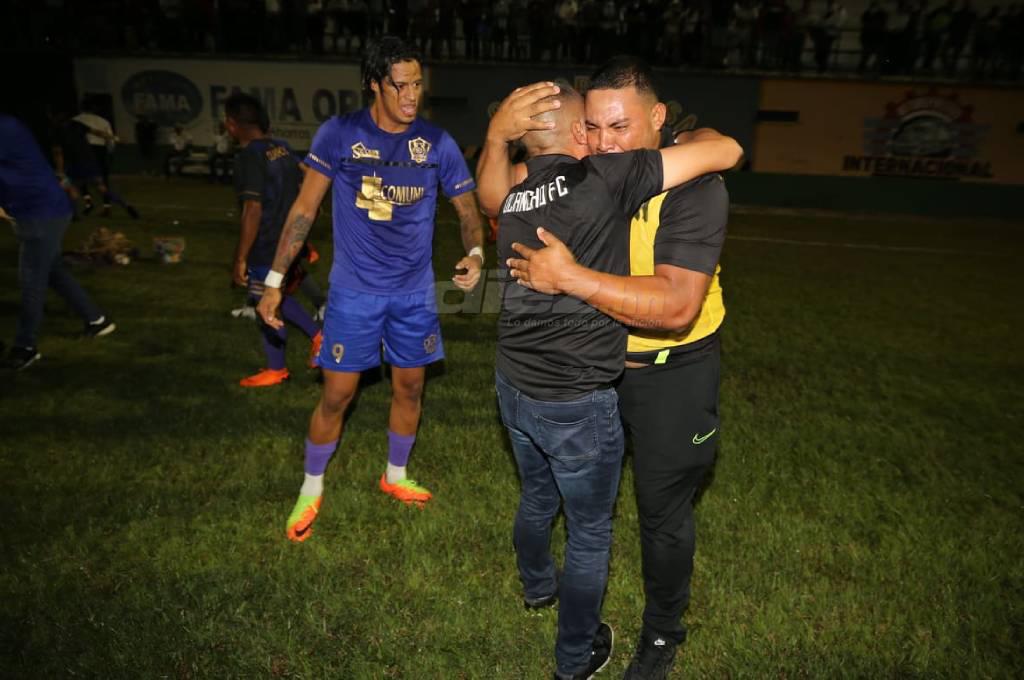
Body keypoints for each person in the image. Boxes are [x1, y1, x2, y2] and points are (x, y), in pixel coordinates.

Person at [477, 58, 735, 680]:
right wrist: (494, 137)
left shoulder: (692, 185)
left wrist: (570, 278)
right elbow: (496, 196)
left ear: (657, 118)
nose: (601, 142)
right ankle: (567, 613)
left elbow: (675, 306)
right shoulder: (588, 169)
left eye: (618, 127)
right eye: (591, 127)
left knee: (660, 514)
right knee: (585, 507)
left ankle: (661, 633)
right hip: (590, 372)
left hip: (671, 371)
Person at [256, 36, 485, 540]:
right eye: (400, 85)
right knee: (337, 395)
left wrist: (474, 254)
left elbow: (468, 211)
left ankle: (395, 475)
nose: (411, 96)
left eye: (418, 84)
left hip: (414, 293)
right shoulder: (339, 134)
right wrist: (274, 282)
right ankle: (311, 489)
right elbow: (302, 212)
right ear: (374, 85)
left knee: (410, 386)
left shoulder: (437, 144)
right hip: (355, 292)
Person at [0, 115, 116, 371]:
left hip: (41, 213)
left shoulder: (5, 128)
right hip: (35, 211)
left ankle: (25, 346)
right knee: (53, 272)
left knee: (31, 280)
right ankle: (97, 320)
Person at [226, 93, 321, 388]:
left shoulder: (249, 158)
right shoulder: (282, 147)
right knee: (275, 296)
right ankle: (278, 366)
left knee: (263, 299)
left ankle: (316, 338)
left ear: (232, 125)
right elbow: (307, 178)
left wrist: (241, 257)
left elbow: (252, 209)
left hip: (266, 243)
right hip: (288, 239)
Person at [52, 111, 139, 220]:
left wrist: (60, 172)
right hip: (89, 161)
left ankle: (74, 215)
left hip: (74, 165)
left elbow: (58, 153)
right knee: (102, 188)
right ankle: (126, 205)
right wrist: (114, 138)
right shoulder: (76, 124)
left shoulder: (57, 131)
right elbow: (98, 133)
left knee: (69, 188)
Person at [72, 100, 117, 211]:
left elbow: (71, 137)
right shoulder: (103, 121)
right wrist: (109, 152)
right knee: (102, 177)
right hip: (100, 150)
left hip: (83, 149)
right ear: (95, 109)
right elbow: (110, 140)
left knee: (81, 176)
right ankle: (107, 204)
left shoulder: (76, 120)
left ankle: (88, 202)